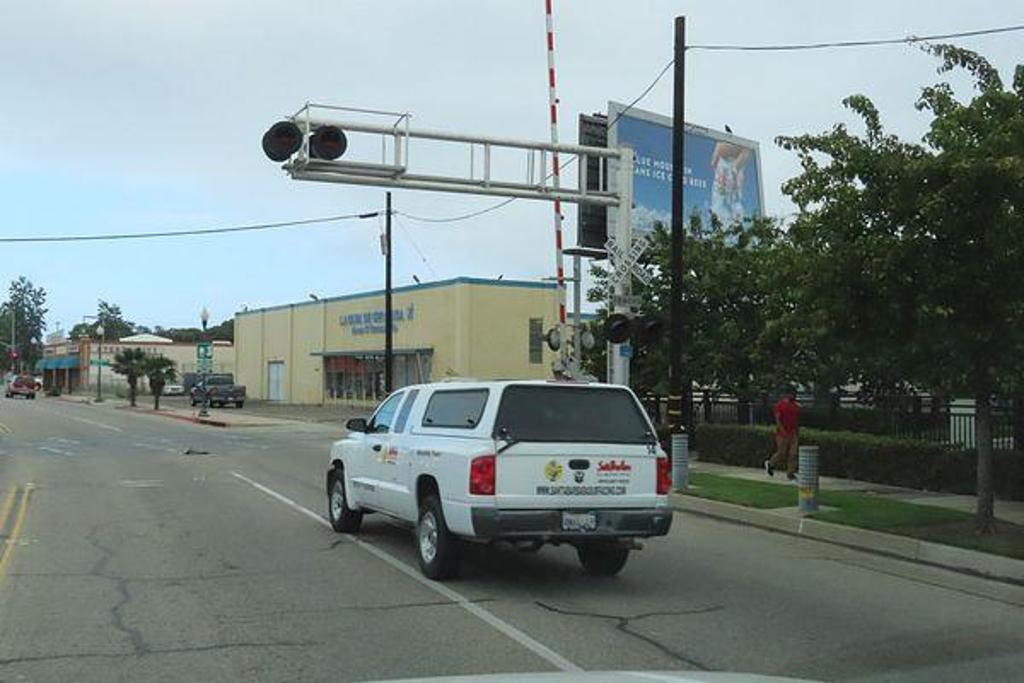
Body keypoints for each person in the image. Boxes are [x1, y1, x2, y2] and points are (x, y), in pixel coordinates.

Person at [765, 388, 800, 481]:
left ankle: (790, 473)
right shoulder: (780, 405)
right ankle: (771, 463)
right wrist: (782, 430)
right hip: (782, 433)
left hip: (792, 433)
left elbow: (796, 421)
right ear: (787, 394)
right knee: (782, 452)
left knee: (794, 454)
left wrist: (796, 432)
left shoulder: (796, 406)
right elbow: (778, 419)